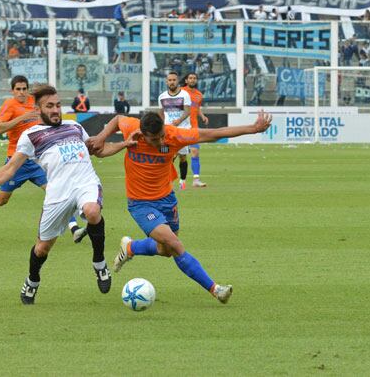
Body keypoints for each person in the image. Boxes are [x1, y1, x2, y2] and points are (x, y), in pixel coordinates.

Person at [0, 84, 136, 304]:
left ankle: (99, 263)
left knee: (92, 211)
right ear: (39, 109)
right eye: (49, 106)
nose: (55, 110)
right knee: (42, 248)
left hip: (85, 183)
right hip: (57, 194)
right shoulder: (30, 136)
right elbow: (10, 168)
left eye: (58, 105)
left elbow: (98, 150)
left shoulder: (74, 127)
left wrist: (125, 144)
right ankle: (32, 280)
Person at [86, 111, 273, 304]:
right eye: (154, 139)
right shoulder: (133, 129)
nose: (160, 142)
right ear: (142, 133)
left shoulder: (174, 135)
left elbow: (215, 133)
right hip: (140, 204)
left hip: (167, 200)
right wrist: (101, 137)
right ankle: (215, 289)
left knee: (165, 250)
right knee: (175, 245)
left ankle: (131, 247)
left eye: (161, 136)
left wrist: (253, 128)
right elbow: (117, 120)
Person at [0, 76, 86, 242]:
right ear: (12, 91)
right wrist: (23, 117)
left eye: (24, 88)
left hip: (36, 160)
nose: (21, 92)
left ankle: (74, 228)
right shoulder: (10, 105)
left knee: (55, 190)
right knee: (1, 200)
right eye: (18, 89)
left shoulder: (35, 102)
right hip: (17, 161)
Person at [158, 71, 192, 190]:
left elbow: (188, 111)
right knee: (166, 156)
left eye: (174, 80)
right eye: (170, 80)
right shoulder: (162, 96)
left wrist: (178, 120)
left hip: (183, 131)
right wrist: (161, 128)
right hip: (168, 131)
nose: (172, 82)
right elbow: (161, 113)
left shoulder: (185, 94)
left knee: (182, 157)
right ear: (166, 82)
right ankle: (166, 181)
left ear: (177, 81)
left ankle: (182, 181)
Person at [182, 72, 210, 188]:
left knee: (195, 152)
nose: (192, 80)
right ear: (186, 80)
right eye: (190, 78)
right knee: (174, 154)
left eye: (194, 78)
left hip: (193, 127)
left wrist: (202, 116)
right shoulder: (181, 92)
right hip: (181, 126)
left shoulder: (199, 95)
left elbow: (197, 107)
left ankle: (196, 180)